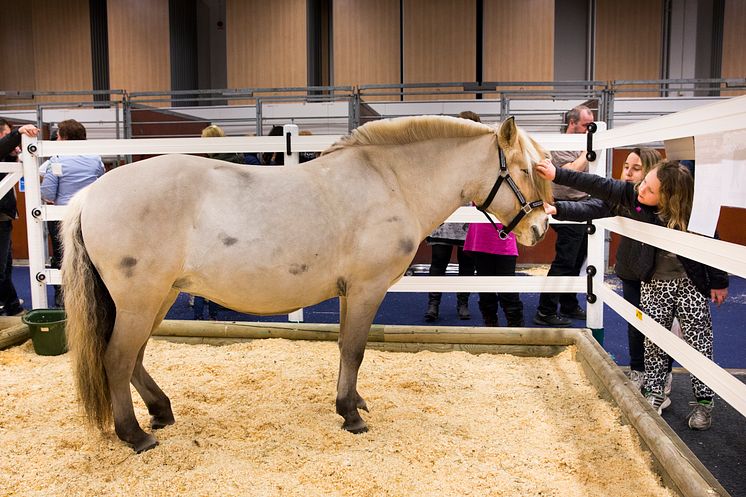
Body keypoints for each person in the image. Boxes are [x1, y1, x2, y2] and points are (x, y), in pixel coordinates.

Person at [537, 158, 728, 431]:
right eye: (644, 183)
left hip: (690, 286)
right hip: (654, 284)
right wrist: (558, 178)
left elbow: (712, 242)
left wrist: (718, 282)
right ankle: (655, 393)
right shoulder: (635, 195)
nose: (641, 190)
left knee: (699, 343)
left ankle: (704, 403)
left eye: (650, 190)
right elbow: (598, 188)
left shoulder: (694, 213)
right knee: (652, 341)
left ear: (669, 198)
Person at [550, 148, 668, 391]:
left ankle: (663, 377)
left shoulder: (665, 205)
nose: (628, 173)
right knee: (635, 323)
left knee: (661, 326)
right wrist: (558, 209)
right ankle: (637, 371)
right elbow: (591, 207)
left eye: (636, 169)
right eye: (626, 167)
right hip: (632, 270)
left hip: (660, 275)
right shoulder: (621, 198)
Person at [533, 105, 595, 327]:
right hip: (565, 206)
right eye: (587, 125)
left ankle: (568, 303)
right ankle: (545, 310)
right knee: (565, 260)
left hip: (583, 205)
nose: (590, 129)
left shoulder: (581, 144)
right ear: (572, 123)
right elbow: (569, 173)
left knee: (578, 259)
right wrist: (586, 153)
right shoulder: (561, 145)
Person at [40, 119, 105, 307]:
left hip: (62, 217)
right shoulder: (95, 158)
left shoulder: (57, 159)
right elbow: (101, 185)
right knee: (90, 255)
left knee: (62, 256)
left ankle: (62, 300)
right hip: (90, 215)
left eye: (58, 135)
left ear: (64, 137)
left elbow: (47, 193)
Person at [422, 111, 480, 322]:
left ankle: (462, 302)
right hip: (446, 211)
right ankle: (433, 303)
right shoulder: (444, 149)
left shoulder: (481, 154)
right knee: (439, 259)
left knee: (467, 261)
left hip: (469, 214)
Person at [0, 122, 40, 316]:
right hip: (1, 219)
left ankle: (11, 306)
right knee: (1, 269)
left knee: (6, 267)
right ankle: (12, 307)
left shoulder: (7, 159)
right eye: (7, 135)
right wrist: (19, 132)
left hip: (4, 218)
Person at [463, 222, 523, 327]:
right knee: (486, 290)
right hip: (481, 236)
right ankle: (491, 328)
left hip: (504, 235)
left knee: (508, 290)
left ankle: (516, 330)